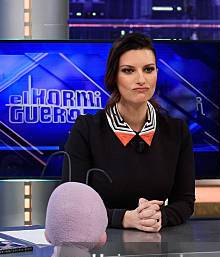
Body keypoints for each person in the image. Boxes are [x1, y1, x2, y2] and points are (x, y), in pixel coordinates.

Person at [63, 33, 195, 232]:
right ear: (113, 76)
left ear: (157, 74)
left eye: (148, 69)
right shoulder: (86, 129)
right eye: (128, 70)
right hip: (99, 247)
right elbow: (72, 207)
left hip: (158, 247)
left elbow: (185, 202)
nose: (141, 79)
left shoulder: (177, 131)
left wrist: (160, 217)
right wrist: (125, 218)